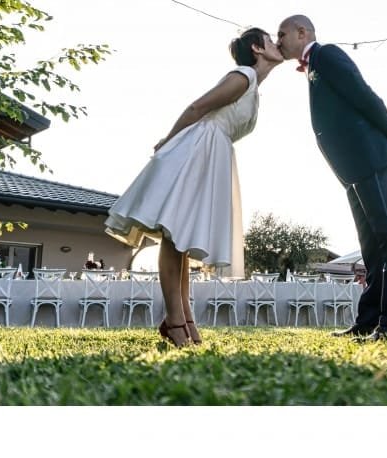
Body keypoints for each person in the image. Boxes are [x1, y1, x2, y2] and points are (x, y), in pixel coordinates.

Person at [105, 28, 284, 347]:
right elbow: (196, 108)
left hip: (215, 152)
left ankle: (185, 319)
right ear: (257, 48)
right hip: (197, 148)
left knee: (183, 240)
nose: (276, 43)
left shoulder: (253, 87)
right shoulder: (242, 76)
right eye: (270, 39)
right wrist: (168, 140)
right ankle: (175, 322)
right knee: (175, 234)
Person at [277, 14, 387, 342]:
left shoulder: (326, 55)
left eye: (282, 33)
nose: (278, 39)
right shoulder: (314, 64)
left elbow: (364, 96)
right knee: (371, 247)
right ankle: (368, 320)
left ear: (302, 32)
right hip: (352, 169)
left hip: (369, 158)